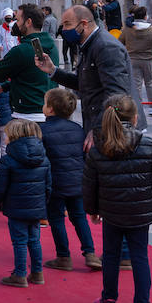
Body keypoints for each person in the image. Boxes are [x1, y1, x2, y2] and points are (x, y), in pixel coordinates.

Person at [84, 94, 152, 303]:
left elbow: (89, 184)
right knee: (140, 257)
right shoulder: (148, 145)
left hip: (111, 210)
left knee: (110, 255)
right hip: (140, 211)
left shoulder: (98, 147)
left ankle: (109, 299)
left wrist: (92, 209)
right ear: (135, 118)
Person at [34, 5, 134, 139]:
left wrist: (98, 129)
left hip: (112, 132)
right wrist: (53, 70)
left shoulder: (105, 46)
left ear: (84, 24)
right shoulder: (88, 45)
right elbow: (84, 82)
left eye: (67, 24)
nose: (63, 30)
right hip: (100, 126)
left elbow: (117, 95)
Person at [39, 88, 98, 271]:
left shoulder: (42, 130)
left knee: (56, 219)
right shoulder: (78, 129)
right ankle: (90, 253)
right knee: (80, 217)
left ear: (50, 109)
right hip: (77, 181)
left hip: (55, 182)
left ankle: (63, 256)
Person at [0, 120, 52, 288]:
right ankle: (37, 273)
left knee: (19, 241)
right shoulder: (43, 158)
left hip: (16, 207)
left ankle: (20, 274)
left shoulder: (9, 160)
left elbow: (0, 186)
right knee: (35, 240)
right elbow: (48, 185)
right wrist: (43, 204)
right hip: (37, 207)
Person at [0, 3, 57, 122]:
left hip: (27, 115)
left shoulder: (21, 50)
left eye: (17, 19)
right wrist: (3, 87)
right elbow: (33, 79)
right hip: (47, 112)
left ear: (28, 22)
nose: (14, 23)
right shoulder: (52, 46)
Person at [119, 6, 152, 121]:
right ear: (145, 16)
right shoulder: (151, 30)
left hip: (132, 58)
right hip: (147, 59)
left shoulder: (128, 29)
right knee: (149, 83)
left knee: (136, 84)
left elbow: (120, 41)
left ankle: (137, 108)